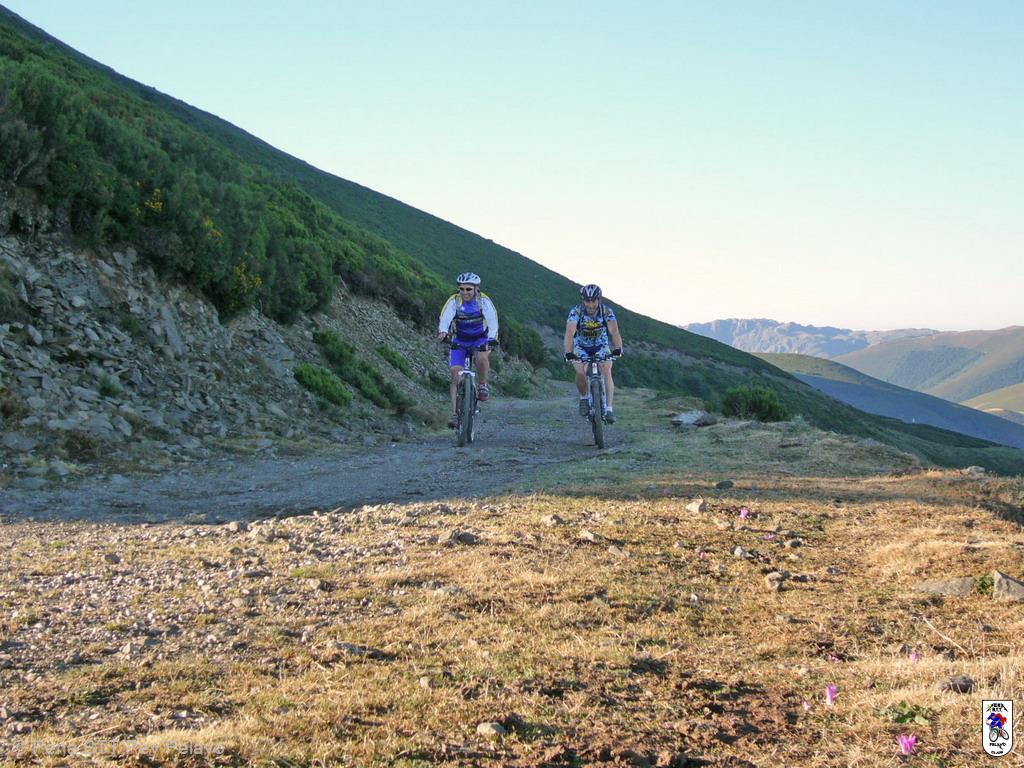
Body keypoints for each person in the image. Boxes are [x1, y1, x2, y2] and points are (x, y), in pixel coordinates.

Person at [437, 272, 499, 428]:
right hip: (460, 340)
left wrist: (491, 339)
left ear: (476, 289)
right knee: (455, 375)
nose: (465, 292)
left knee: (482, 357)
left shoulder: (484, 301)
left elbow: (493, 322)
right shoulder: (454, 301)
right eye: (462, 289)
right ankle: (455, 414)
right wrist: (443, 331)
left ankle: (483, 385)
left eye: (469, 289)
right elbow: (445, 318)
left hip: (480, 338)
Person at [563, 284, 623, 422]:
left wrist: (618, 348)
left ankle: (609, 409)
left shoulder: (606, 311)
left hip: (601, 346)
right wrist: (568, 352)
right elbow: (570, 331)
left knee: (607, 370)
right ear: (583, 300)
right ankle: (584, 398)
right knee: (580, 371)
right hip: (581, 347)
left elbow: (614, 331)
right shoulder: (576, 311)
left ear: (599, 300)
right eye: (587, 301)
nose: (590, 305)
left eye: (593, 301)